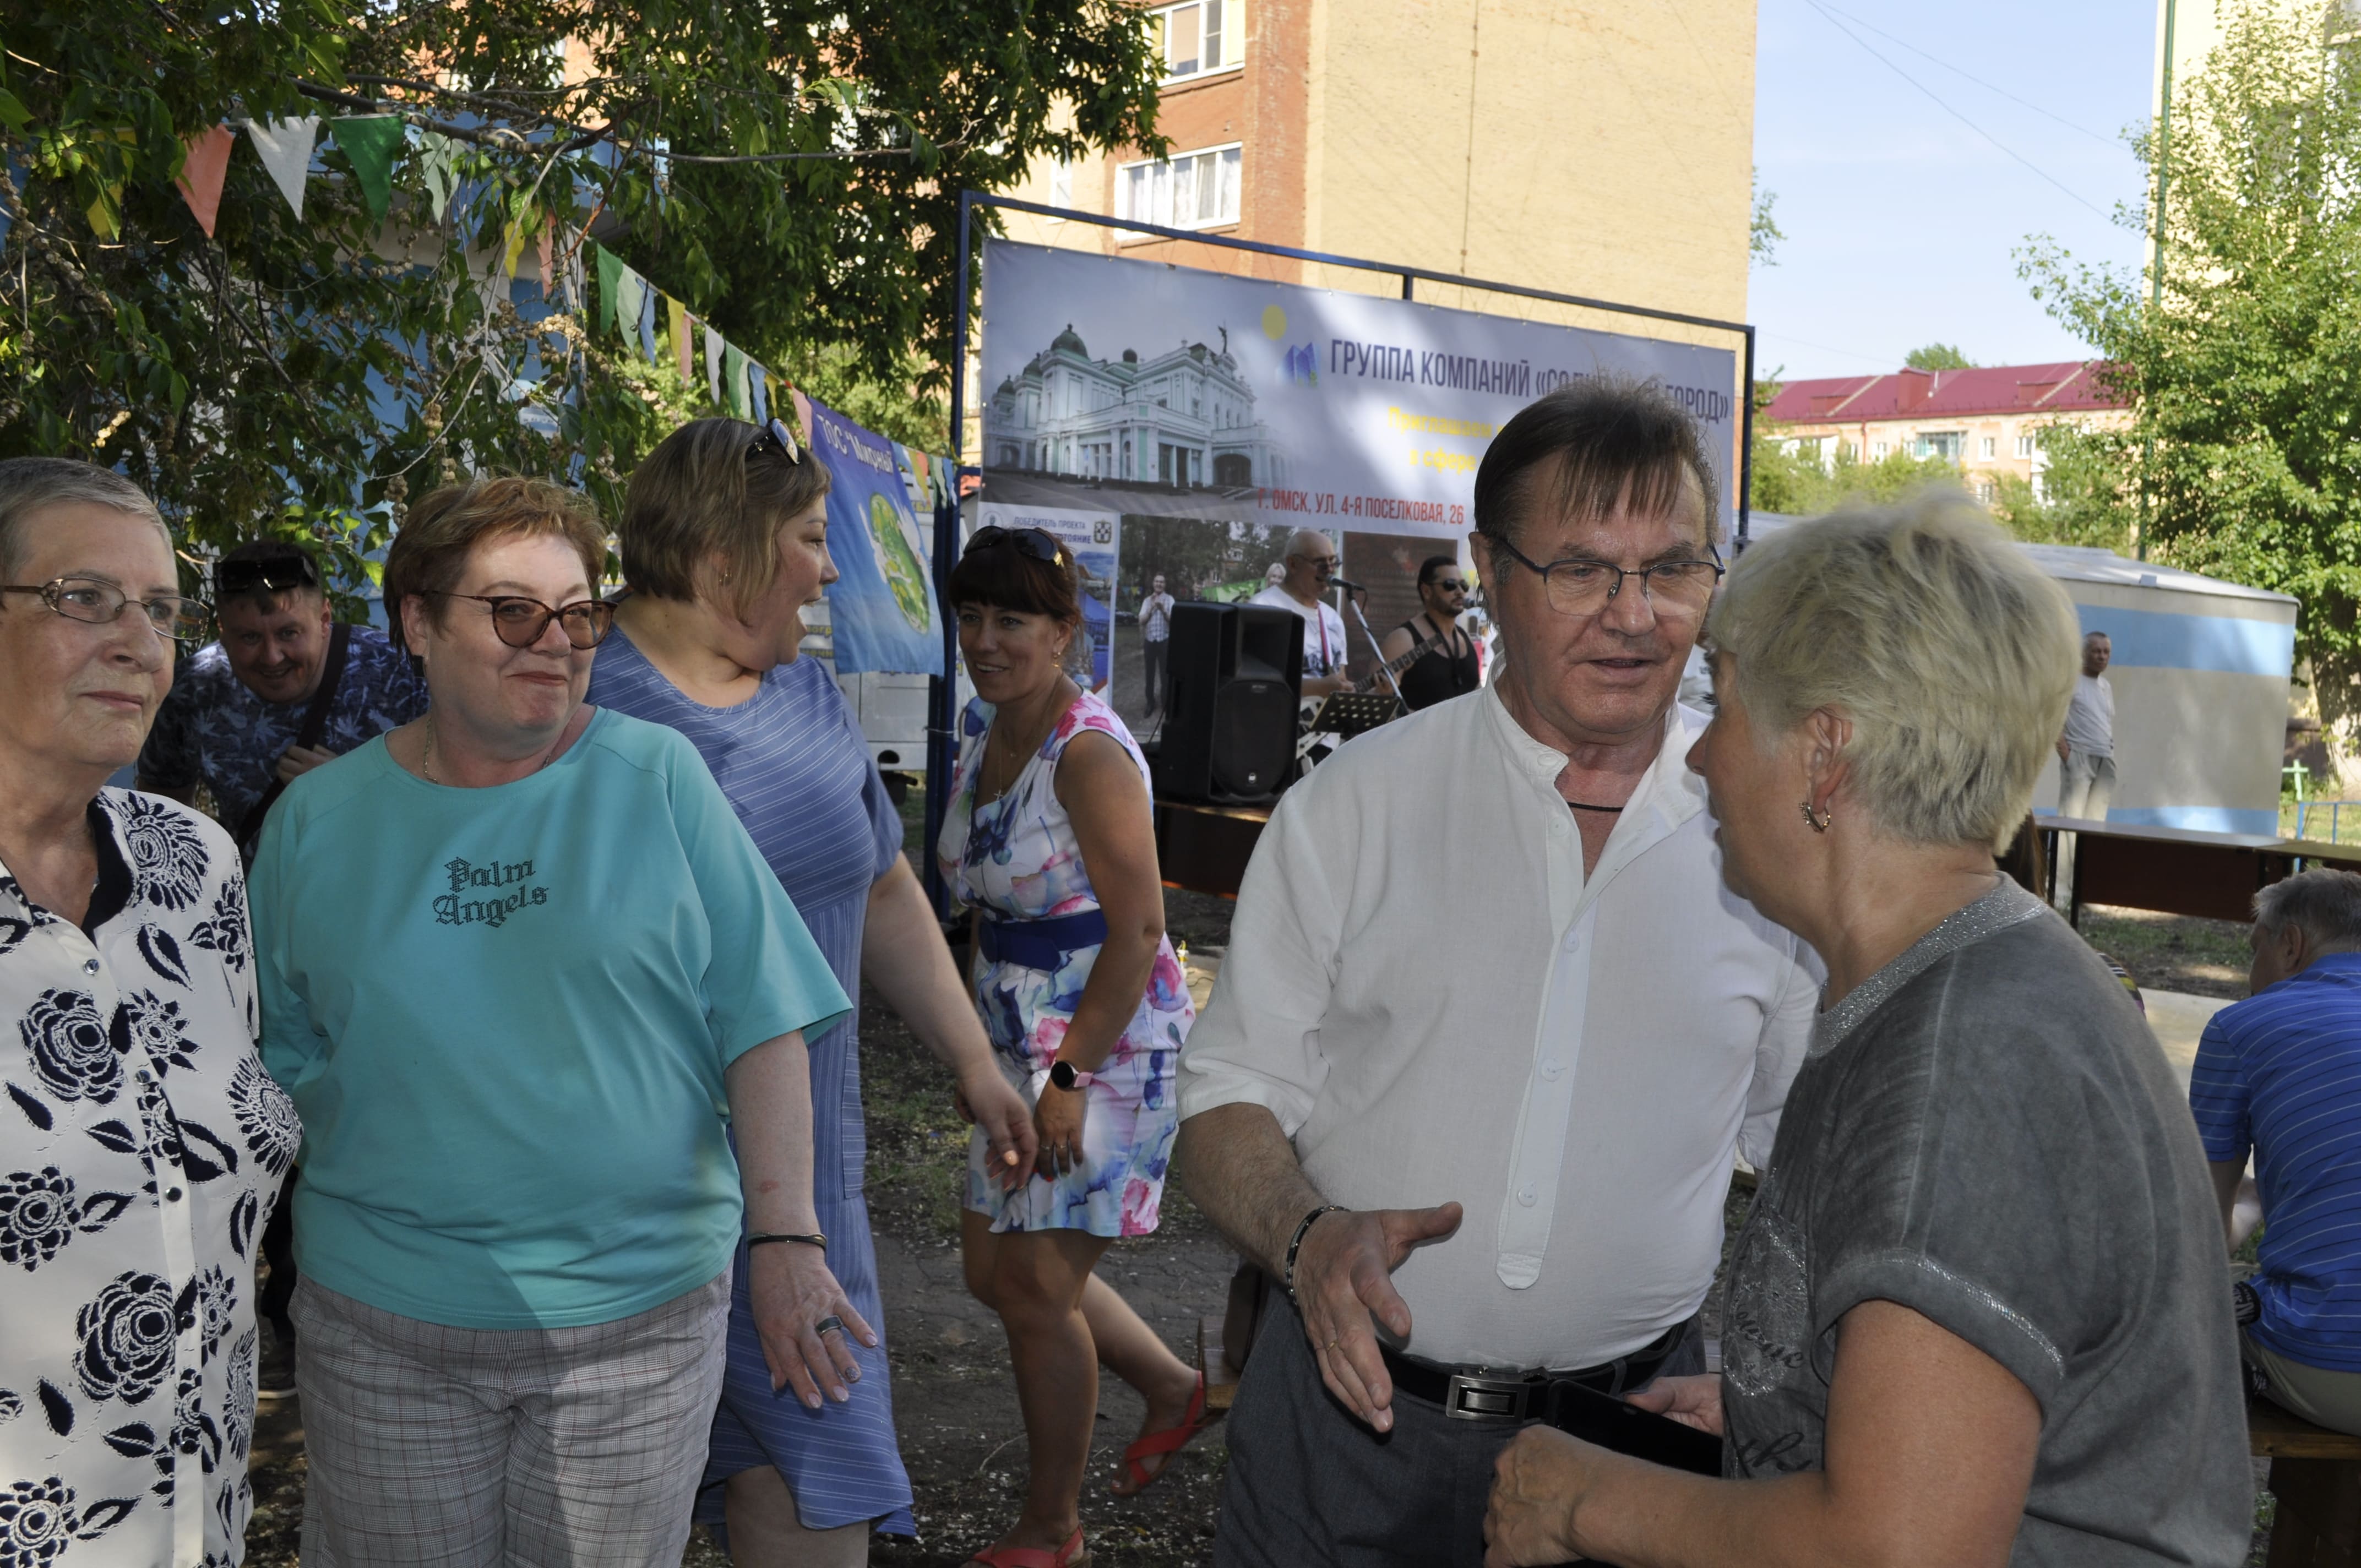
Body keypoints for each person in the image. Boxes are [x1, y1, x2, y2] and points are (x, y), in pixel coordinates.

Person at [1483, 495, 2252, 1567]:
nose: (1700, 760)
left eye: (1729, 702)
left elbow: (1899, 1548)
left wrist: (1585, 1501)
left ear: (1825, 753)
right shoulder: (1956, 986)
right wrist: (1783, 1403)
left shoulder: (1962, 1062)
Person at [1174, 378, 1819, 1568]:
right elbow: (1223, 1096)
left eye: (1671, 567)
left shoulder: (1775, 839)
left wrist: (1799, 1391)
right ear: (1486, 564)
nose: (1632, 616)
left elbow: (1816, 1157)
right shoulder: (1352, 809)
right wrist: (1307, 1235)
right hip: (1342, 1421)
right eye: (1579, 567)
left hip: (1631, 1455)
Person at [251, 475, 864, 1567]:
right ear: (418, 621)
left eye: (578, 612)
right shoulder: (313, 822)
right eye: (512, 610)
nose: (555, 640)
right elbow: (272, 1064)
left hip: (632, 1329)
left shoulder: (656, 777)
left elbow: (763, 1014)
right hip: (387, 1324)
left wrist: (786, 1239)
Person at [585, 416, 1040, 1565]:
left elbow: (882, 884)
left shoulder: (803, 691)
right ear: (721, 557)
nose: (829, 566)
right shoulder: (586, 710)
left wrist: (973, 1061)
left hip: (809, 1191)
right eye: (804, 536)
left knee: (814, 1482)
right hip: (642, 1209)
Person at [0, 456, 302, 1562]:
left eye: (162, 608)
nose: (139, 639)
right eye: (82, 598)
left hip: (193, 1528)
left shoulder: (195, 867)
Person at [938, 525, 1210, 1568]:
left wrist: (1063, 1076)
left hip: (1102, 1044)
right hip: (1017, 1042)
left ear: (1062, 632)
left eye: (1012, 619)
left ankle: (1052, 1529)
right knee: (989, 1270)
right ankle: (1175, 1387)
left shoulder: (1086, 750)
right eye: (971, 616)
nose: (987, 638)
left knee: (1035, 1294)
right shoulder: (985, 722)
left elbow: (1139, 930)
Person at [2191, 867, 2361, 1436]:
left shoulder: (2242, 1027)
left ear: (2290, 945)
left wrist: (2243, 1208)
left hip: (2334, 1369)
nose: (2249, 971)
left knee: (2178, 1309)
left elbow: (2197, 1237)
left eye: (2253, 948)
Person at [138, 539, 428, 854]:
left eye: (288, 633)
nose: (272, 657)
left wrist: (355, 789)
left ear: (324, 621)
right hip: (258, 899)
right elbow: (162, 815)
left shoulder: (403, 674)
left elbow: (462, 809)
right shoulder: (191, 691)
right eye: (249, 637)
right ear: (222, 631)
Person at [1249, 530, 1350, 698]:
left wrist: (1373, 691)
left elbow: (1340, 682)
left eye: (1333, 562)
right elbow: (1254, 684)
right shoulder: (1263, 607)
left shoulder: (1333, 619)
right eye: (1320, 563)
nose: (1330, 570)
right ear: (1293, 564)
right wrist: (1316, 687)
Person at [1375, 554, 1481, 711]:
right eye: (1450, 585)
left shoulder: (1464, 638)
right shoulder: (1403, 639)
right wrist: (1384, 694)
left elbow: (1476, 692)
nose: (1460, 592)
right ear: (1426, 591)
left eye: (1464, 585)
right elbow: (1374, 699)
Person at [2056, 629, 2114, 820]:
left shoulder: (2106, 687)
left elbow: (2104, 722)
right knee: (2071, 820)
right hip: (2079, 759)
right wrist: (2069, 758)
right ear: (2084, 653)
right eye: (2097, 651)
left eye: (2106, 652)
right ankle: (2066, 853)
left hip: (2105, 761)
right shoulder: (2071, 682)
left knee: (2097, 823)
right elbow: (2054, 722)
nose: (2102, 656)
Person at [1138, 573, 1176, 715]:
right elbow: (1141, 621)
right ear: (1153, 584)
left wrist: (1163, 609)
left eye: (1162, 582)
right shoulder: (1147, 601)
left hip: (1164, 642)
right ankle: (1150, 702)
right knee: (1149, 674)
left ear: (1164, 585)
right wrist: (1152, 608)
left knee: (1165, 675)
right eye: (1157, 582)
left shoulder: (1170, 599)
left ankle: (1166, 702)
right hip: (1150, 642)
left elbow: (1174, 621)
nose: (1159, 584)